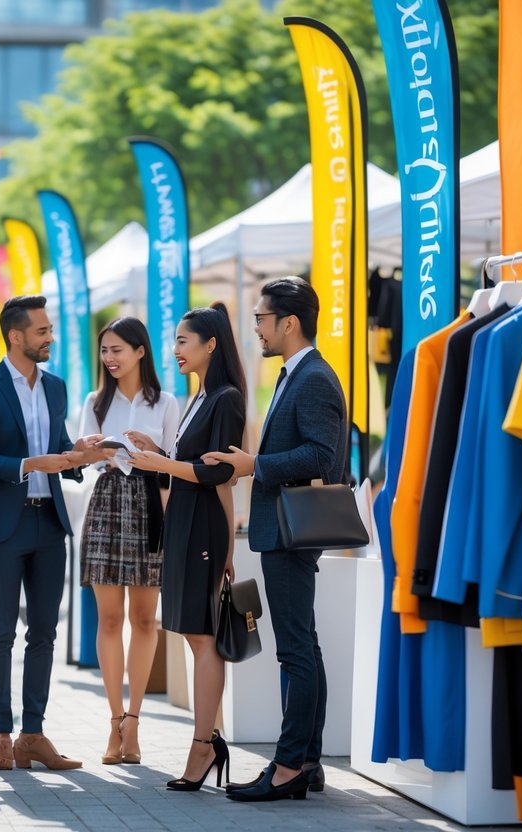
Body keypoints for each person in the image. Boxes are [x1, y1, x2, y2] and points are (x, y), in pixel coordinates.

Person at [205, 276, 347, 803]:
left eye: (262, 319)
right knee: (304, 645)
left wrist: (254, 465)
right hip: (286, 528)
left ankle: (287, 769)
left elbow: (320, 455)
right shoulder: (299, 373)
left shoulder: (312, 378)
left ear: (289, 322)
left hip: (291, 532)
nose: (257, 329)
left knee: (295, 651)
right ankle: (306, 762)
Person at [0, 295, 105, 772]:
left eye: (50, 330)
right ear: (16, 336)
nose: (50, 338)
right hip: (4, 524)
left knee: (44, 632)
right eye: (42, 331)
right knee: (1, 630)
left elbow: (59, 449)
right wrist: (29, 464)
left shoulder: (56, 387)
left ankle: (33, 735)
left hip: (49, 523)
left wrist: (79, 453)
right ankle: (1, 736)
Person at [127, 306, 246, 792]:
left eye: (183, 340)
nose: (174, 349)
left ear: (210, 344)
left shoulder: (226, 398)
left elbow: (219, 472)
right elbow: (191, 464)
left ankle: (204, 745)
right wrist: (156, 452)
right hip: (185, 522)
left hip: (202, 526)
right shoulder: (199, 397)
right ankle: (206, 742)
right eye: (174, 340)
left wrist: (161, 462)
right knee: (193, 635)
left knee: (202, 638)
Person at [78, 317, 180, 765]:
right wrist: (90, 450)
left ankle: (134, 721)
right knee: (108, 619)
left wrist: (152, 452)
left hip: (149, 502)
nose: (109, 358)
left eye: (117, 349)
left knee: (143, 618)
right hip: (106, 502)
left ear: (140, 351)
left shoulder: (167, 403)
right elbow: (81, 460)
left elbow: (176, 461)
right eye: (105, 350)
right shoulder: (95, 402)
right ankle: (114, 720)